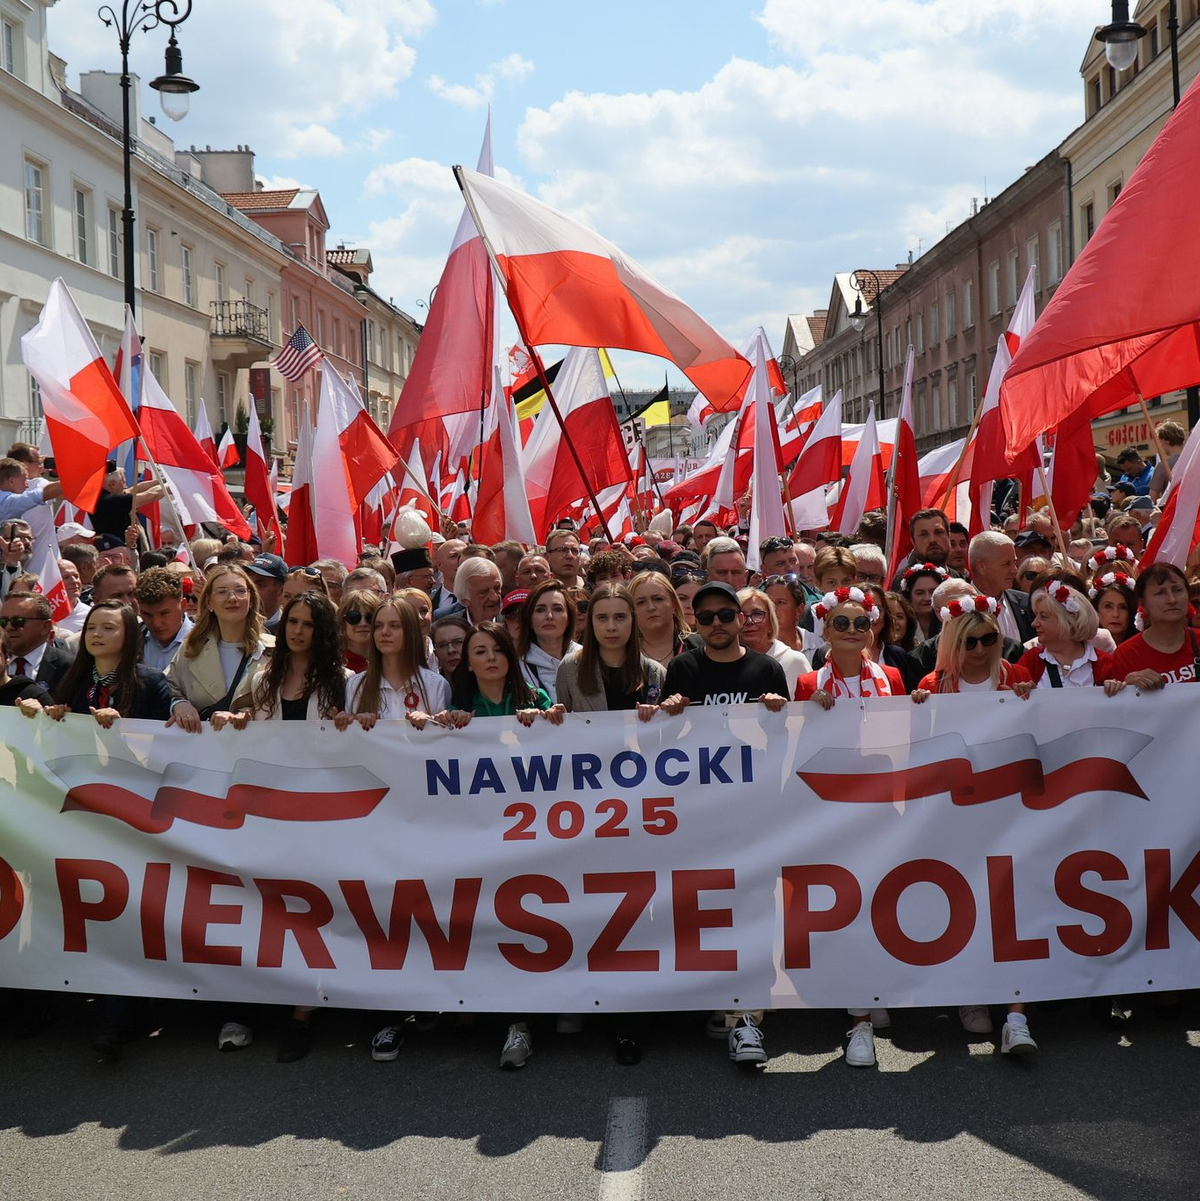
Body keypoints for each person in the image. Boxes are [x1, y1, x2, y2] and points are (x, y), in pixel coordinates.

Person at [17, 601, 173, 1060]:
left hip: (133, 817)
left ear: (129, 636)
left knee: (127, 915)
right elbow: (49, 728)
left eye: (109, 627)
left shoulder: (150, 682)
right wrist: (37, 710)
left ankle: (119, 1019)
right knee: (96, 914)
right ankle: (118, 1015)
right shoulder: (73, 682)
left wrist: (129, 730)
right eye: (92, 627)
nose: (97, 634)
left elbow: (176, 737)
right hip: (81, 818)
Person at [208, 591, 350, 1063]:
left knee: (311, 913)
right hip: (266, 810)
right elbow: (240, 725)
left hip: (318, 814)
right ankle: (247, 1007)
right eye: (292, 622)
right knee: (260, 908)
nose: (298, 631)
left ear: (321, 632)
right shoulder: (263, 674)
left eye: (308, 624)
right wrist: (235, 719)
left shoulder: (342, 681)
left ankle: (302, 1016)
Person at [658, 580, 788, 1069]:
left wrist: (779, 714)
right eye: (706, 616)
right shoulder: (683, 669)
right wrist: (669, 716)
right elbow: (668, 745)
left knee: (755, 905)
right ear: (695, 622)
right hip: (701, 812)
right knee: (712, 905)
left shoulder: (767, 669)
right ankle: (722, 998)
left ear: (741, 619)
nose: (716, 624)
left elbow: (786, 741)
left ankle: (747, 1014)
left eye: (726, 615)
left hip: (754, 811)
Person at [165, 565, 274, 734]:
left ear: (251, 600)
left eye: (240, 591)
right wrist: (179, 704)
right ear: (209, 602)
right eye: (222, 592)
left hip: (255, 745)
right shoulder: (191, 648)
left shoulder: (274, 649)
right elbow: (168, 686)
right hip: (202, 746)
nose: (232, 598)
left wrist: (248, 714)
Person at [343, 595, 450, 726]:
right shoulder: (356, 684)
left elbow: (445, 734)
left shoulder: (436, 685)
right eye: (378, 626)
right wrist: (353, 722)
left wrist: (430, 722)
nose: (384, 632)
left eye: (394, 626)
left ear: (411, 632)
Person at [795, 588, 904, 703]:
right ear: (827, 632)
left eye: (861, 623)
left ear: (868, 632)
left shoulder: (891, 677)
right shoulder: (807, 684)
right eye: (841, 623)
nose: (852, 630)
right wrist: (811, 706)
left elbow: (903, 714)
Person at [914, 597, 1033, 696]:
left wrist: (1026, 698)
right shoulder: (932, 685)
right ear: (954, 642)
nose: (979, 649)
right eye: (969, 642)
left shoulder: (1018, 676)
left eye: (987, 639)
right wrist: (920, 703)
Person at [1018, 580, 1122, 691]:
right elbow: (1010, 696)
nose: (1034, 623)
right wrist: (1020, 690)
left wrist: (1115, 689)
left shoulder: (1105, 665)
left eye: (1043, 616)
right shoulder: (1031, 661)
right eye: (1036, 615)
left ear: (1069, 621)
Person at [1112, 562, 1200, 687]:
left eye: (1177, 590)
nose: (1172, 600)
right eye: (1160, 593)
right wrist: (1128, 686)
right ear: (1142, 603)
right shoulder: (1126, 655)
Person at [737, 586, 811, 695]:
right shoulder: (722, 662)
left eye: (757, 614)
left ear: (771, 620)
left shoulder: (794, 661)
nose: (749, 621)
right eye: (741, 616)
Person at [516, 580, 579, 704]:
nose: (549, 616)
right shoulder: (517, 666)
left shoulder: (587, 657)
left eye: (557, 609)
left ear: (568, 619)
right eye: (540, 610)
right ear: (530, 621)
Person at [967, 531, 1035, 644]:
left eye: (1014, 562)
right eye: (1006, 564)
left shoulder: (1027, 602)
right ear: (981, 566)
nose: (1014, 571)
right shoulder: (959, 609)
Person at [0, 592, 72, 692]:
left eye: (18, 621)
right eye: (3, 621)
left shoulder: (69, 667)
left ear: (45, 627)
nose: (8, 627)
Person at [628, 570, 690, 667]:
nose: (651, 607)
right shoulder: (624, 654)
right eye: (641, 602)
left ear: (673, 604)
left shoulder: (699, 646)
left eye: (658, 599)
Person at [136, 567, 193, 671]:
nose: (156, 623)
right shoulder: (130, 642)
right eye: (148, 615)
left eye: (164, 614)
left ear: (183, 605)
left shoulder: (206, 642)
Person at [897, 562, 949, 644]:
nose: (927, 598)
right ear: (909, 596)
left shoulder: (952, 624)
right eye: (920, 593)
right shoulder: (901, 627)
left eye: (933, 592)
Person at [339, 589, 383, 673]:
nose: (363, 623)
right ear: (343, 623)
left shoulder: (390, 661)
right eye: (354, 617)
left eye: (370, 617)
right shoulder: (334, 664)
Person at [453, 557, 504, 625]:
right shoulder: (449, 628)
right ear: (464, 600)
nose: (494, 598)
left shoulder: (512, 624)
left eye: (497, 588)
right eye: (484, 592)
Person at [1090, 572, 1137, 645]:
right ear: (1096, 609)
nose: (1115, 614)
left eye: (1123, 607)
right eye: (1108, 606)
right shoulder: (1084, 646)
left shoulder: (1141, 645)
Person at [245, 553, 288, 632]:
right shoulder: (234, 623)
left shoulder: (288, 629)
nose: (251, 588)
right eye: (249, 582)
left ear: (281, 590)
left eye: (259, 584)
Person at [1148, 421, 1185, 501]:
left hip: (1173, 506)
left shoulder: (1163, 466)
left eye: (1160, 441)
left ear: (1166, 441)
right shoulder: (1193, 461)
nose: (1160, 445)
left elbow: (1152, 497)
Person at [430, 615, 470, 680]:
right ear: (435, 653)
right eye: (443, 645)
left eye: (458, 642)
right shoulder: (430, 685)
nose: (450, 650)